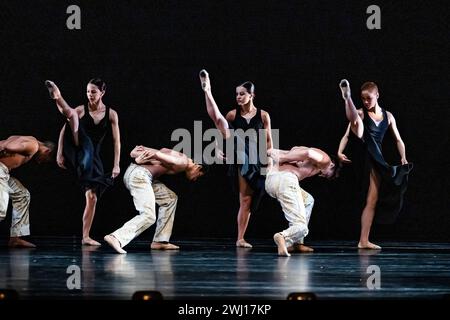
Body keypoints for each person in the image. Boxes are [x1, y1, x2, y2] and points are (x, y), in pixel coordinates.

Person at [199, 69, 273, 248]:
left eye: (242, 94)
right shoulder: (233, 114)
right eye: (237, 94)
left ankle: (243, 237)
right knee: (219, 120)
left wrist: (270, 160)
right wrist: (217, 149)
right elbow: (219, 131)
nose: (238, 97)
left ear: (251, 95)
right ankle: (207, 90)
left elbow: (269, 140)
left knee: (251, 200)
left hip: (257, 158)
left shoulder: (263, 115)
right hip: (240, 155)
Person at [338, 80, 412, 250]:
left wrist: (403, 157)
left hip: (376, 156)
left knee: (372, 200)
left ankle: (364, 240)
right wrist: (339, 152)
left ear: (377, 95)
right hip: (364, 149)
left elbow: (398, 140)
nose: (365, 102)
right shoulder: (362, 112)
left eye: (368, 98)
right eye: (362, 99)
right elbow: (346, 136)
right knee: (356, 120)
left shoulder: (389, 116)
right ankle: (347, 98)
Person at [45, 79, 121, 246]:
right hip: (79, 145)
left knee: (92, 197)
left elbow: (116, 142)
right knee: (72, 115)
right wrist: (59, 152)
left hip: (93, 157)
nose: (89, 95)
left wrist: (116, 164)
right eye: (87, 91)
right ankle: (57, 97)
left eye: (93, 92)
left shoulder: (111, 114)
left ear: (102, 93)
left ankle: (85, 236)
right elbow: (64, 130)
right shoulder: (81, 109)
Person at [104, 146, 206, 254]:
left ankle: (160, 241)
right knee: (149, 216)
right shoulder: (182, 161)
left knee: (170, 199)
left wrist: (136, 156)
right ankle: (116, 237)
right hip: (139, 175)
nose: (195, 179)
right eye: (199, 175)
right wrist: (142, 158)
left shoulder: (180, 156)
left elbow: (139, 150)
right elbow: (157, 154)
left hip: (142, 175)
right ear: (198, 166)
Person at [266, 146, 338, 256]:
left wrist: (276, 152)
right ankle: (284, 237)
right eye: (328, 174)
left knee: (308, 200)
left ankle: (296, 243)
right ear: (332, 165)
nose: (323, 175)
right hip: (285, 180)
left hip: (271, 180)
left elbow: (294, 150)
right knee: (302, 228)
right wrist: (283, 157)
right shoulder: (326, 161)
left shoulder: (300, 152)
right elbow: (309, 153)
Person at [0, 135, 54, 247]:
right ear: (47, 151)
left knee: (22, 195)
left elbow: (8, 141)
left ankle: (15, 238)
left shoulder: (30, 139)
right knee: (0, 209)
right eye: (46, 159)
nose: (41, 162)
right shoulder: (33, 146)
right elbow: (5, 145)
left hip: (4, 172)